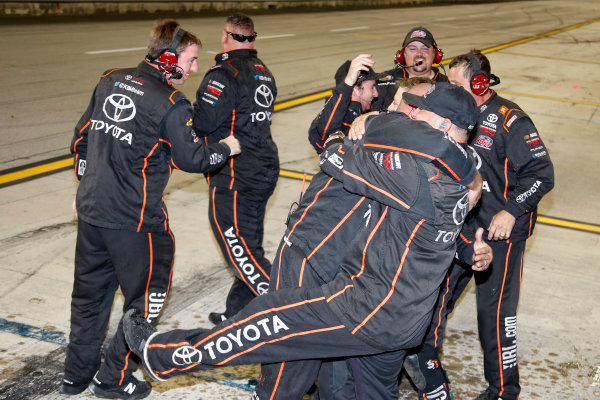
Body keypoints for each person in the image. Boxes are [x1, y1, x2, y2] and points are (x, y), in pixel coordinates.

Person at [123, 83, 488, 398]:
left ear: (442, 125)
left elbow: (333, 155)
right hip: (404, 321)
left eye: (418, 111)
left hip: (366, 309)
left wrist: (363, 124)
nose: (409, 114)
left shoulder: (417, 174)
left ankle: (163, 354)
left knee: (266, 321)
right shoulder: (464, 172)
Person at [61, 20, 240, 399]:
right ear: (170, 58)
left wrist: (85, 188)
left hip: (92, 216)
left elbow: (80, 142)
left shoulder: (110, 78)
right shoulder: (172, 104)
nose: (194, 70)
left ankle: (75, 377)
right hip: (137, 224)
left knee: (88, 300)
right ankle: (113, 378)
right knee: (145, 303)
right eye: (191, 61)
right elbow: (193, 159)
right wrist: (227, 148)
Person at [405, 50, 554, 400]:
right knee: (434, 300)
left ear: (480, 82)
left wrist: (512, 211)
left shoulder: (511, 120)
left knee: (495, 316)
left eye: (458, 85)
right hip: (462, 230)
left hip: (501, 235)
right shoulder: (458, 117)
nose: (451, 91)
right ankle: (424, 367)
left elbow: (541, 174)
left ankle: (504, 390)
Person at [192, 13, 278, 326]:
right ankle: (238, 313)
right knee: (249, 243)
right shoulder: (264, 71)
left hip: (235, 174)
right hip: (265, 168)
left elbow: (202, 122)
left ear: (227, 36)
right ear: (252, 38)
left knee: (239, 249)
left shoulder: (222, 75)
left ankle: (289, 311)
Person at [308, 54, 379, 153]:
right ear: (356, 89)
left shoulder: (365, 108)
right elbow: (328, 133)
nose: (376, 94)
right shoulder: (338, 119)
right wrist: (348, 83)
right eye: (372, 87)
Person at [372, 26, 448, 111]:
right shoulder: (382, 82)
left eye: (425, 49)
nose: (419, 54)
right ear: (402, 55)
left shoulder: (447, 85)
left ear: (435, 54)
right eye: (412, 49)